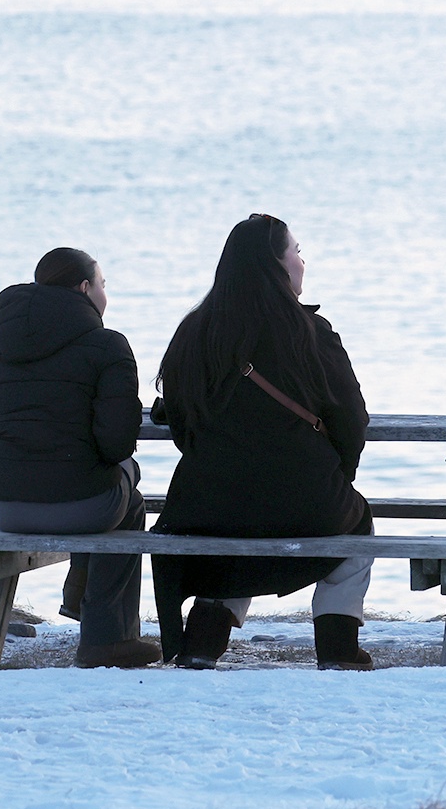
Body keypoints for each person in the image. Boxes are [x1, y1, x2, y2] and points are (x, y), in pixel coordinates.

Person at [151, 215, 375, 670]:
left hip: (206, 504)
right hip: (305, 500)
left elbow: (180, 420)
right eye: (297, 251)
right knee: (356, 528)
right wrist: (338, 475)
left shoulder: (194, 332)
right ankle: (338, 648)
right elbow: (351, 418)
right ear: (276, 264)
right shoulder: (309, 332)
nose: (302, 261)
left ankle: (202, 644)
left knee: (232, 536)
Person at [0, 247, 158, 669]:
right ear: (84, 289)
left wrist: (19, 463)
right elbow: (117, 443)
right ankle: (105, 638)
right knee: (129, 487)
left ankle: (83, 602)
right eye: (103, 284)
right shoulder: (108, 346)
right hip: (84, 507)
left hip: (8, 509)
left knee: (112, 485)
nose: (105, 294)